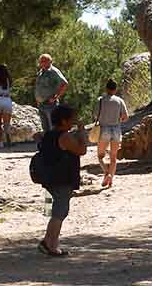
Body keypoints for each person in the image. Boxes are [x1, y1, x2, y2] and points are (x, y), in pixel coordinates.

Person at [38, 104, 87, 257]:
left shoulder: (49, 135)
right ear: (64, 120)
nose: (74, 121)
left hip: (51, 178)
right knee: (60, 212)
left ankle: (49, 242)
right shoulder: (64, 137)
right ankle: (50, 245)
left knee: (58, 211)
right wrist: (82, 133)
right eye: (72, 119)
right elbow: (81, 150)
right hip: (62, 179)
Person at [94, 79, 130, 187]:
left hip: (104, 129)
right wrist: (118, 119)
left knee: (100, 156)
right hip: (116, 130)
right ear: (115, 89)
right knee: (113, 157)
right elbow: (125, 117)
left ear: (106, 89)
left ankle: (106, 172)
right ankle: (111, 177)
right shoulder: (119, 101)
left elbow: (95, 115)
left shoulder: (100, 100)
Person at [34, 54, 68, 134]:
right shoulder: (41, 72)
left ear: (50, 61)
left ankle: (56, 145)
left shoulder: (54, 71)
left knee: (53, 127)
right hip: (41, 105)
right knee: (45, 129)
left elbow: (64, 83)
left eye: (44, 61)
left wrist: (56, 97)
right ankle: (48, 145)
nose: (42, 63)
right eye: (41, 61)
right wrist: (38, 99)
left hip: (50, 105)